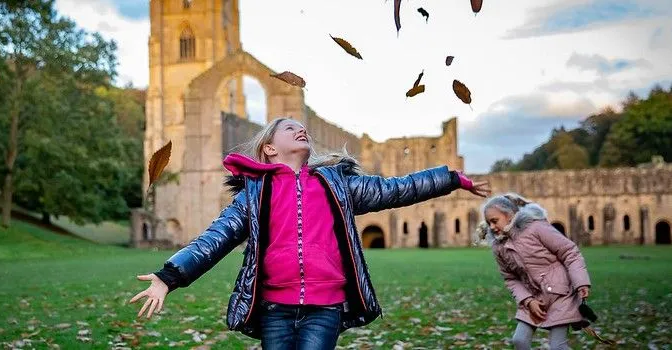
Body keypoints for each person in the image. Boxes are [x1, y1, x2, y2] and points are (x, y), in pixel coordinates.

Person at [130, 117, 490, 349]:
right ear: (270, 148)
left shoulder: (337, 184)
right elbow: (215, 238)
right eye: (288, 128)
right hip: (275, 308)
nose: (300, 129)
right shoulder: (255, 193)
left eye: (302, 128)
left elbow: (396, 188)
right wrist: (169, 276)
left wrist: (452, 178)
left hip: (325, 306)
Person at [478, 193, 592, 350]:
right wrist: (528, 300)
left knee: (558, 346)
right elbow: (511, 279)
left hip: (560, 294)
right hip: (534, 297)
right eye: (488, 222)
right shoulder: (499, 247)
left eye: (494, 221)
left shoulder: (536, 228)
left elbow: (569, 252)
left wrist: (581, 282)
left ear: (509, 214)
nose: (491, 227)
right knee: (520, 340)